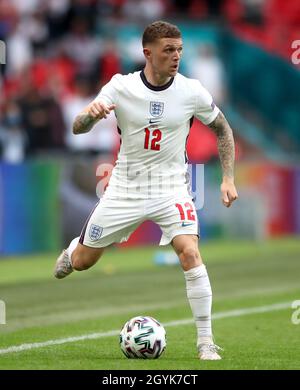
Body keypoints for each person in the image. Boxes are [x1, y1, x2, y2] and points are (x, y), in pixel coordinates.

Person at [54, 21, 238, 360]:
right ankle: (73, 250)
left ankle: (206, 342)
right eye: (168, 50)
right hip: (125, 187)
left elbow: (223, 130)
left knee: (190, 252)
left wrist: (227, 177)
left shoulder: (192, 90)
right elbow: (78, 127)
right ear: (147, 53)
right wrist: (90, 116)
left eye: (179, 50)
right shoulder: (121, 87)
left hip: (172, 188)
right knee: (83, 262)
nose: (176, 57)